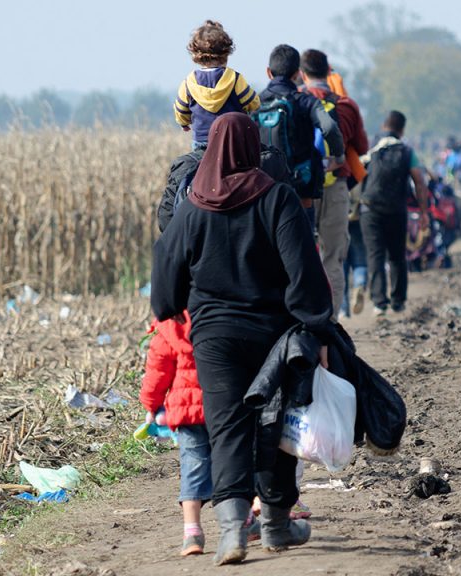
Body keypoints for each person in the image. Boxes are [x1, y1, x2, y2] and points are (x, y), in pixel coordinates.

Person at [151, 113, 333, 566]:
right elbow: (304, 271)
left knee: (227, 427)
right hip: (274, 335)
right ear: (254, 148)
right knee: (276, 424)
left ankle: (233, 531)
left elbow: (165, 264)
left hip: (213, 339)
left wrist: (170, 306)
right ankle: (274, 523)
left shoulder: (193, 206)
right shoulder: (278, 199)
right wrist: (316, 326)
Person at [299, 49, 369, 319]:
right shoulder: (346, 106)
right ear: (329, 72)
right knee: (333, 259)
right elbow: (362, 146)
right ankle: (330, 324)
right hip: (337, 185)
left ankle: (306, 322)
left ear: (302, 74)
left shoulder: (297, 102)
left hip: (304, 190)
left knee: (304, 257)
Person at [138, 313, 213, 557]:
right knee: (229, 464)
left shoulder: (168, 326)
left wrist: (151, 404)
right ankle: (243, 521)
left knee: (192, 468)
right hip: (220, 405)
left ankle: (192, 533)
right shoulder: (218, 313)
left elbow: (157, 373)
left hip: (185, 411)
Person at [259, 44, 344, 231]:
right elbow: (329, 127)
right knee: (303, 246)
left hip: (265, 188)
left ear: (268, 72)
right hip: (301, 187)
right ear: (298, 74)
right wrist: (339, 157)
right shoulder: (305, 102)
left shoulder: (255, 103)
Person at [359, 111, 431, 316]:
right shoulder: (407, 151)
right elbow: (419, 181)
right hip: (396, 210)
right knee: (397, 255)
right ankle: (398, 301)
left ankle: (379, 302)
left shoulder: (371, 146)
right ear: (402, 129)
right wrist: (424, 212)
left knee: (375, 255)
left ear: (384, 126)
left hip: (370, 209)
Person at [174, 20, 261, 148]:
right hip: (233, 139)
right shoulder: (235, 79)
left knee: (198, 167)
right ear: (226, 53)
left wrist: (184, 123)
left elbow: (180, 111)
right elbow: (254, 103)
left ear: (195, 55)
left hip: (202, 141)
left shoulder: (188, 83)